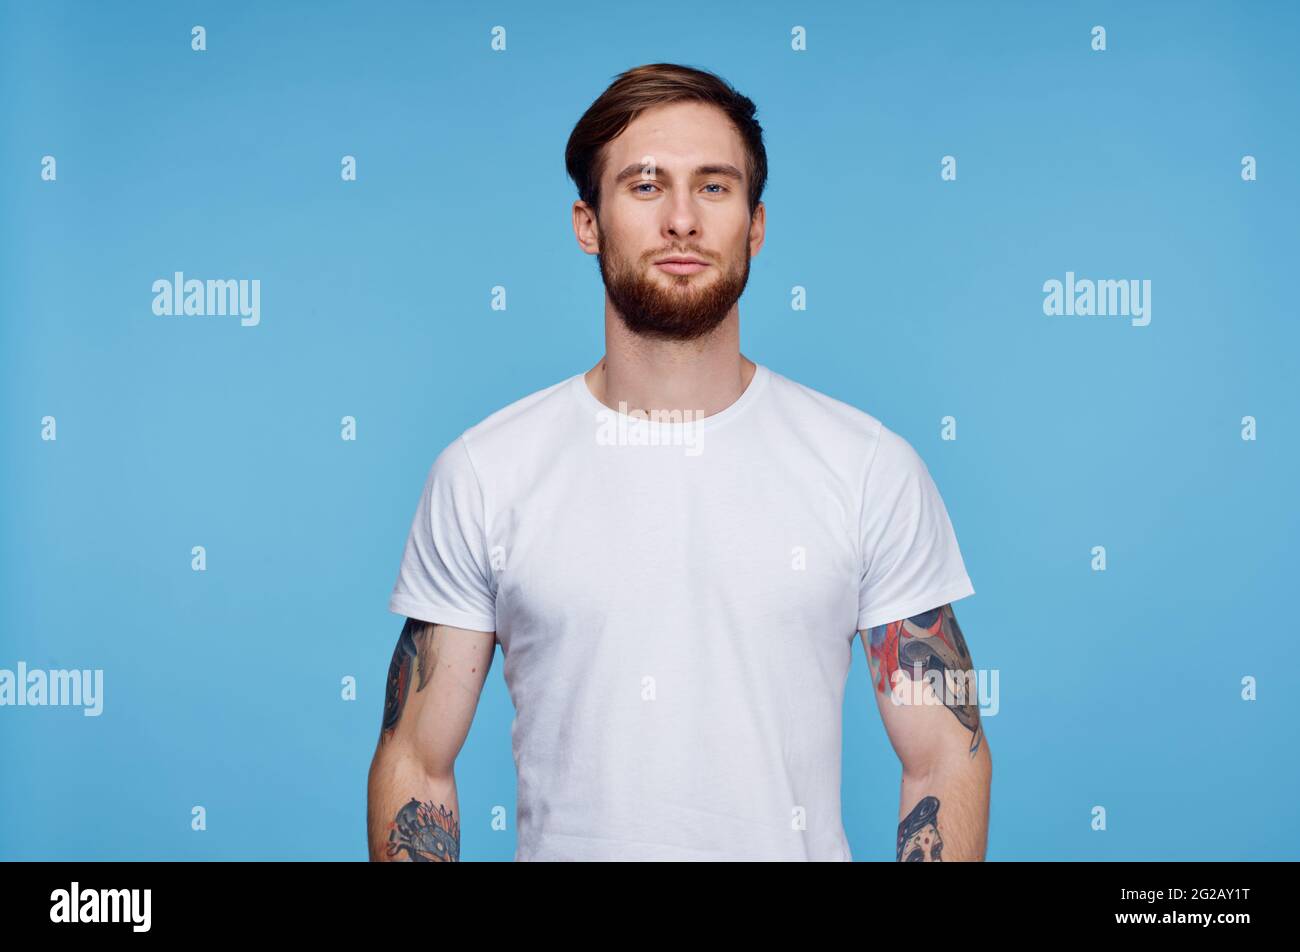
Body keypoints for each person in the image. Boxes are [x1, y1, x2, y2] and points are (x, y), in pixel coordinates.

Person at [366, 63, 990, 862]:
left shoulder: (869, 468)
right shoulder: (486, 473)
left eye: (715, 188)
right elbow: (417, 763)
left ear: (756, 226)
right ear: (587, 223)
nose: (684, 221)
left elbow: (946, 754)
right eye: (646, 186)